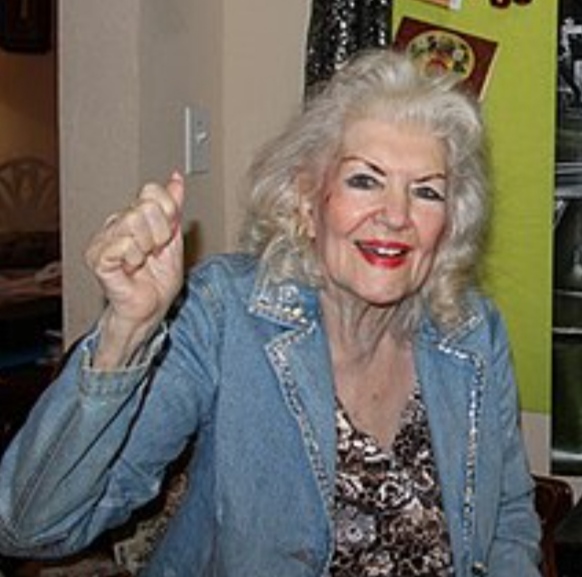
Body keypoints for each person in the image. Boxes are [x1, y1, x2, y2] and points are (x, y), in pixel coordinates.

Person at [0, 49, 540, 576]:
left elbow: (507, 519)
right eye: (365, 179)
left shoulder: (471, 330)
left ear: (449, 225)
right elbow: (30, 528)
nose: (396, 215)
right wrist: (125, 333)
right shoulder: (225, 315)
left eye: (426, 192)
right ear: (307, 201)